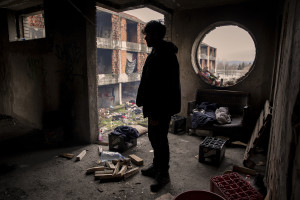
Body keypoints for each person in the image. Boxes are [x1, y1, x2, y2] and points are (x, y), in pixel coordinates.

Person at [136, 20, 181, 192]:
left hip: (160, 108)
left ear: (155, 35)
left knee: (160, 140)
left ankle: (163, 174)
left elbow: (162, 88)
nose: (145, 38)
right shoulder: (158, 51)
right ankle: (156, 167)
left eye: (147, 34)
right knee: (155, 138)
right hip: (156, 106)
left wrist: (155, 114)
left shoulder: (164, 55)